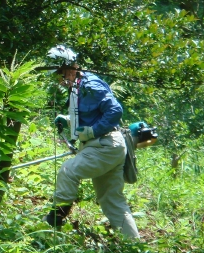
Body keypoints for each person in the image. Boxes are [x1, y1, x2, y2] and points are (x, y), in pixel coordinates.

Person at [44, 60, 139, 239]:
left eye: (60, 74)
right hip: (107, 146)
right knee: (112, 201)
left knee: (68, 170)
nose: (59, 80)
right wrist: (68, 119)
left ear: (70, 69)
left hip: (105, 145)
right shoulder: (77, 88)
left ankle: (53, 222)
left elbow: (115, 110)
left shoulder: (90, 85)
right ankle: (136, 247)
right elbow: (92, 115)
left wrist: (93, 131)